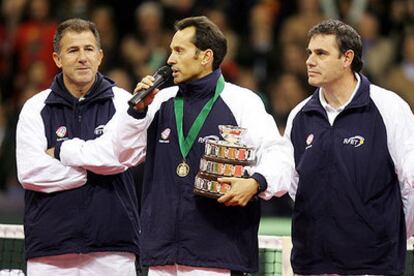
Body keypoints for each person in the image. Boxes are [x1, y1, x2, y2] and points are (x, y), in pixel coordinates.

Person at [114, 16, 292, 275]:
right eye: (171, 50)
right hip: (161, 254)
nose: (170, 59)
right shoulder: (159, 101)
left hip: (217, 253)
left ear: (205, 56)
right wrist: (137, 113)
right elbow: (121, 155)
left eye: (179, 50)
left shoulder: (241, 102)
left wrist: (257, 181)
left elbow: (279, 154)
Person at [285, 19, 414, 275]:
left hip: (373, 266)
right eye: (309, 52)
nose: (310, 61)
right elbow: (295, 188)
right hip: (312, 265)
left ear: (347, 58)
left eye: (321, 53)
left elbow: (410, 183)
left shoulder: (390, 107)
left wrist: (389, 235)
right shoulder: (299, 115)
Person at [15, 18, 140, 276]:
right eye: (73, 50)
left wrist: (62, 153)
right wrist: (93, 168)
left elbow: (124, 157)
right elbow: (30, 172)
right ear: (57, 59)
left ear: (100, 56)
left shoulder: (124, 103)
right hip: (50, 251)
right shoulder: (35, 108)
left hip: (113, 248)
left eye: (89, 49)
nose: (82, 57)